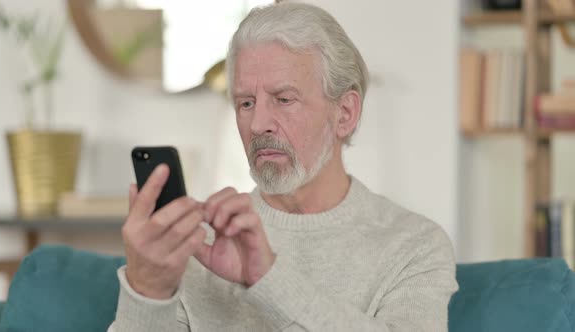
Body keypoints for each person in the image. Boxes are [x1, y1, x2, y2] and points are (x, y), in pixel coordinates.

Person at [108, 2, 458, 331]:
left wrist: (268, 279)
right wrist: (147, 290)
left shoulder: (414, 245)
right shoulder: (197, 244)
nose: (258, 123)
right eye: (246, 102)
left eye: (284, 99)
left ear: (345, 114)